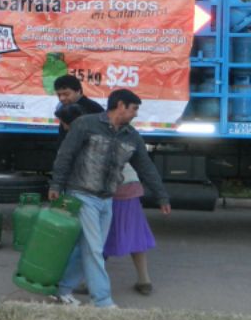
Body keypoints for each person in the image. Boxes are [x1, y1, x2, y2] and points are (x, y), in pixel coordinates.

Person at [49, 89, 171, 308]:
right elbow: (65, 155)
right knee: (94, 248)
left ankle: (62, 290)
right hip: (81, 194)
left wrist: (162, 196)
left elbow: (146, 166)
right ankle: (103, 301)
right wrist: (56, 184)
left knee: (88, 248)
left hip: (106, 199)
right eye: (134, 109)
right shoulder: (85, 124)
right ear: (121, 105)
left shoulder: (131, 135)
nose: (135, 114)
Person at [53, 75, 104, 143]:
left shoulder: (93, 109)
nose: (62, 98)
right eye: (59, 95)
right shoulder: (63, 107)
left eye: (66, 94)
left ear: (78, 91)